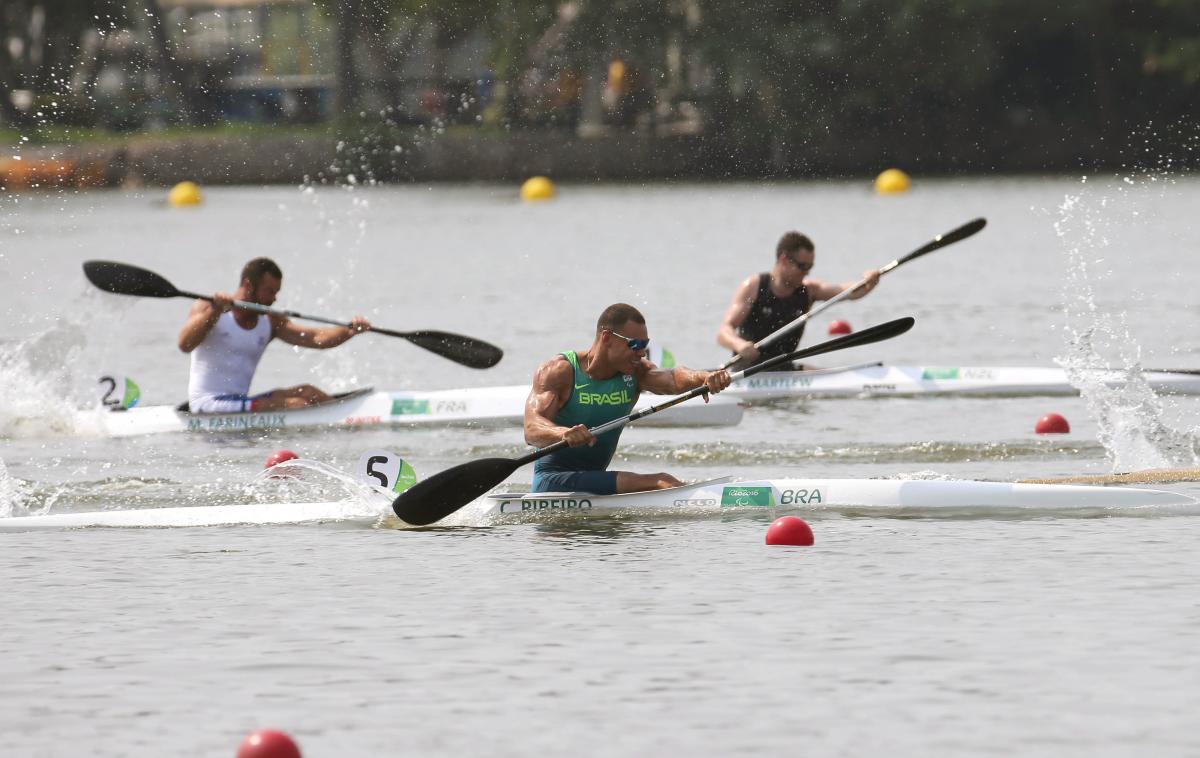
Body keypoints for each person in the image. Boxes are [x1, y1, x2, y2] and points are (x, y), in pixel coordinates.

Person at [524, 303, 731, 495]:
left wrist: (703, 377)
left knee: (660, 483)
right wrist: (563, 433)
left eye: (645, 344)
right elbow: (531, 428)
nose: (641, 352)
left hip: (592, 481)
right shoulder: (560, 371)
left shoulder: (635, 373)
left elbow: (673, 378)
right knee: (662, 481)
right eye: (635, 344)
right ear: (606, 337)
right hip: (552, 481)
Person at [178, 257, 370, 413]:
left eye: (276, 292)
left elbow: (315, 338)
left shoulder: (269, 321)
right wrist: (214, 311)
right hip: (207, 405)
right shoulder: (207, 307)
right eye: (269, 291)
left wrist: (349, 331)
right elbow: (184, 344)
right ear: (248, 285)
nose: (273, 299)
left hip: (240, 402)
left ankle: (348, 419)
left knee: (309, 393)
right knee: (296, 405)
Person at [717, 231, 882, 369]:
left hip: (785, 370)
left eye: (810, 267)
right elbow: (724, 331)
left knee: (825, 374)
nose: (807, 273)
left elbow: (848, 292)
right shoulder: (753, 286)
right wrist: (739, 345)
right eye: (803, 266)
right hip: (747, 371)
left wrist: (868, 282)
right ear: (783, 260)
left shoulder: (809, 290)